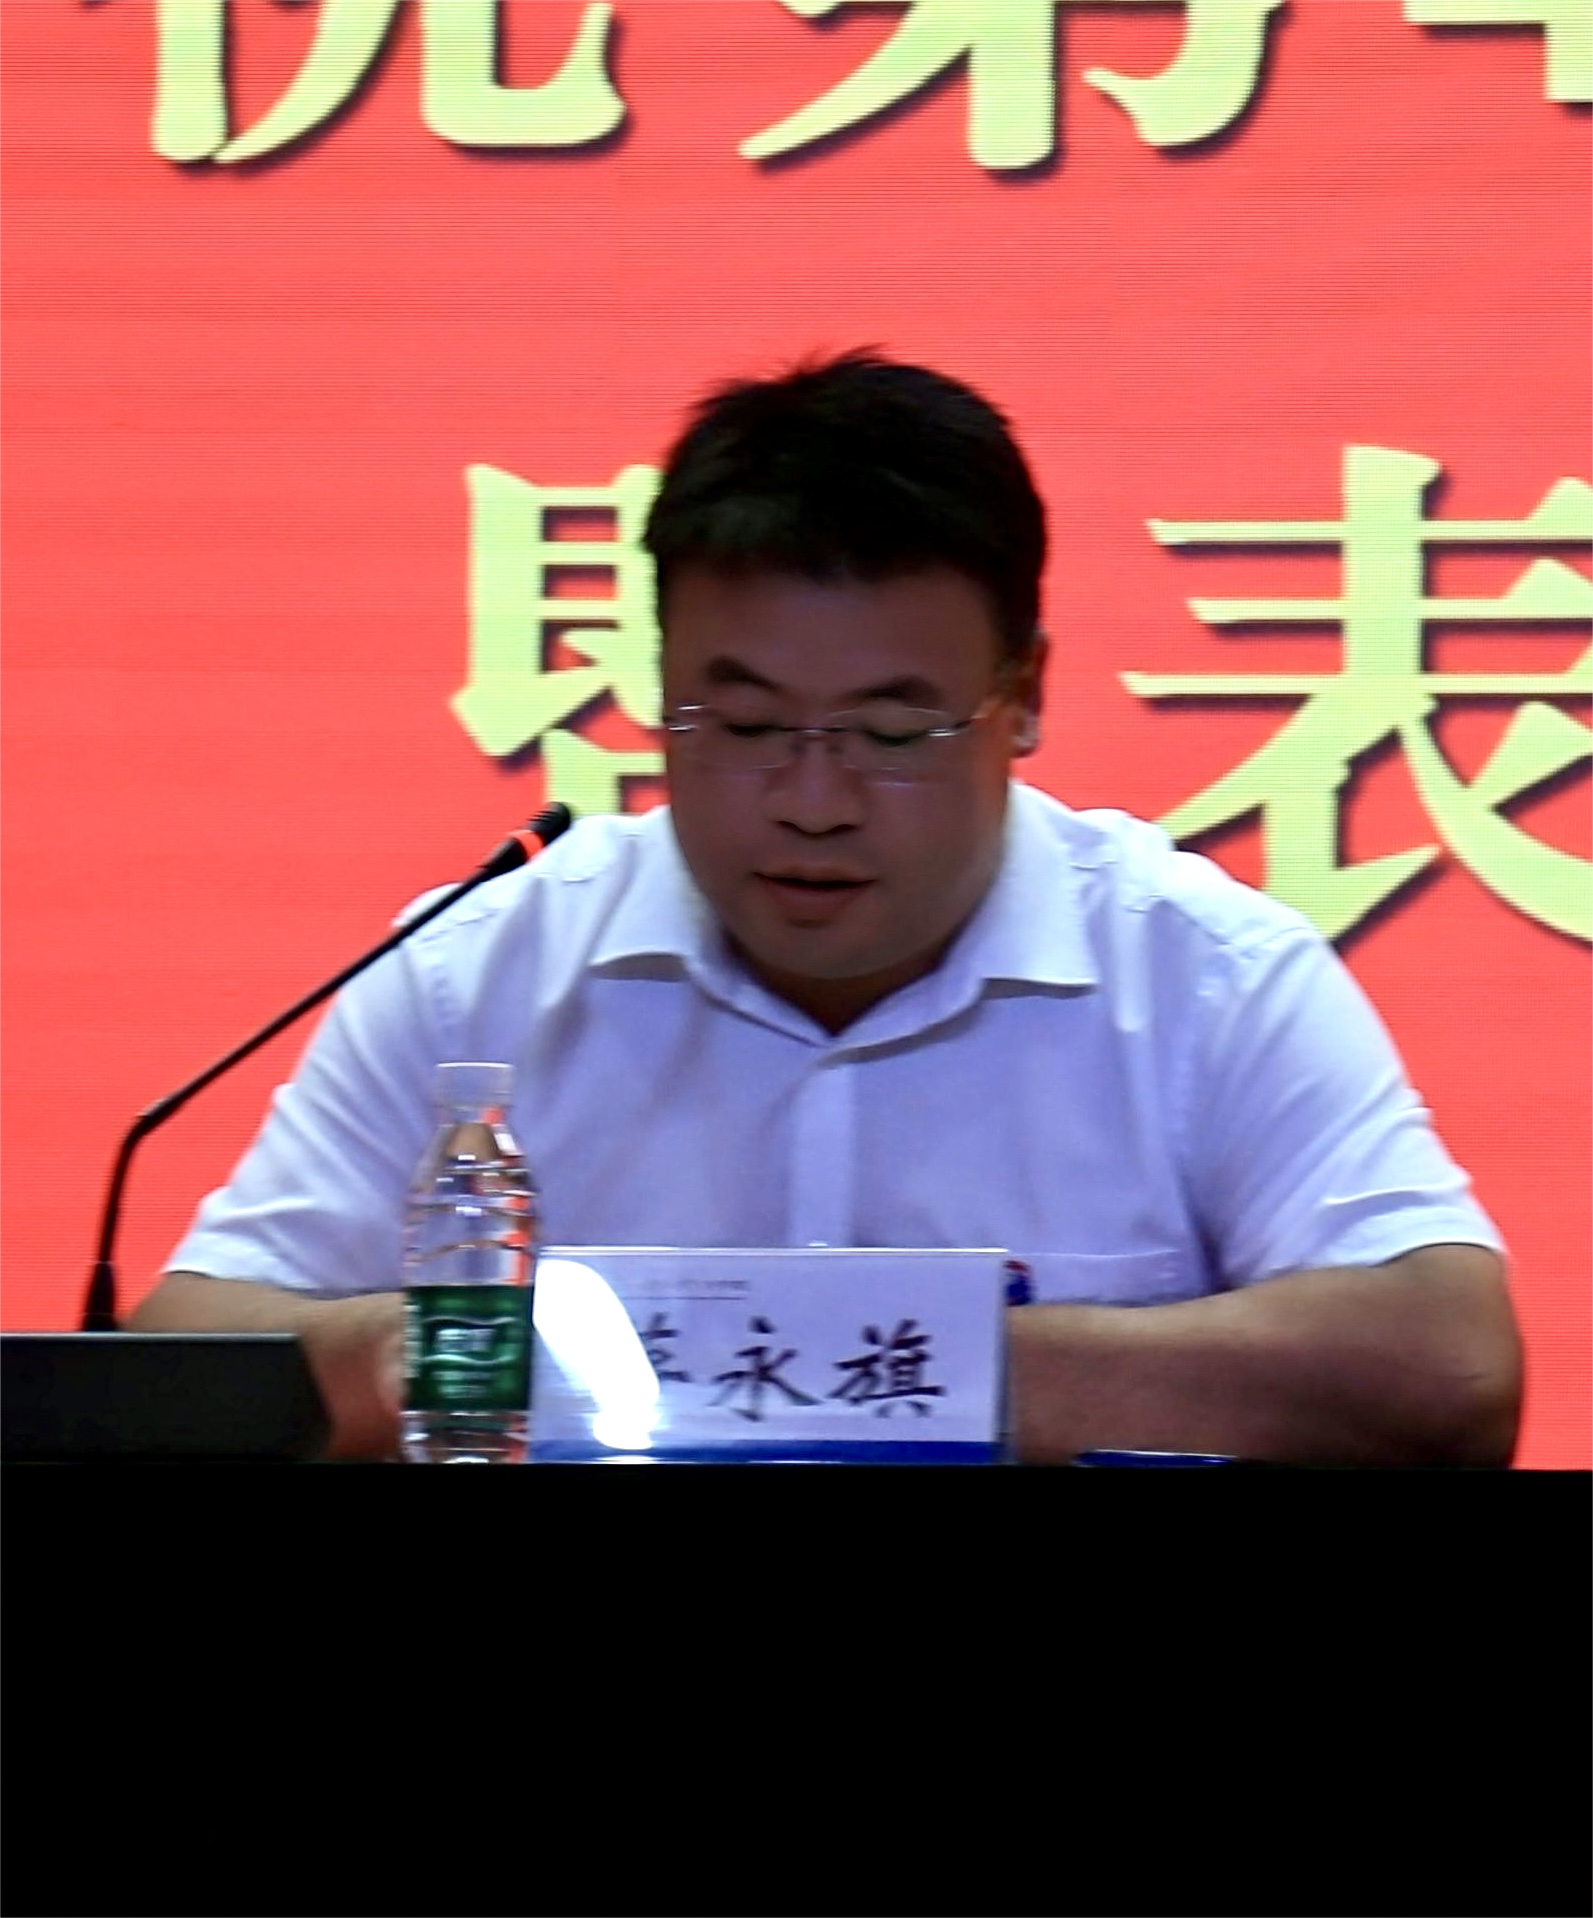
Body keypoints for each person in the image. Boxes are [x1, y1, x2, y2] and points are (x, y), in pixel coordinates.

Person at [131, 351, 1522, 1464]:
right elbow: (182, 1352)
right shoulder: (478, 969)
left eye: (889, 732)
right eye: (741, 726)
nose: (810, 801)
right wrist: (451, 1355)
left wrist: (895, 1361)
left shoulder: (1203, 974)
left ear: (1024, 694)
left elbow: (1448, 1366)